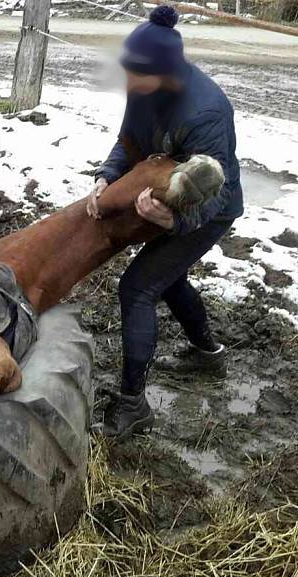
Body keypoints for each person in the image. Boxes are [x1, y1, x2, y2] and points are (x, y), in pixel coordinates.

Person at [87, 6, 243, 439]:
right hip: (174, 200)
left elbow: (218, 194)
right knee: (167, 278)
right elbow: (129, 142)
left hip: (211, 212)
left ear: (165, 74)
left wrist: (173, 222)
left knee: (137, 287)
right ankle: (206, 352)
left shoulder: (205, 113)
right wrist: (106, 175)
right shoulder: (145, 91)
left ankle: (134, 405)